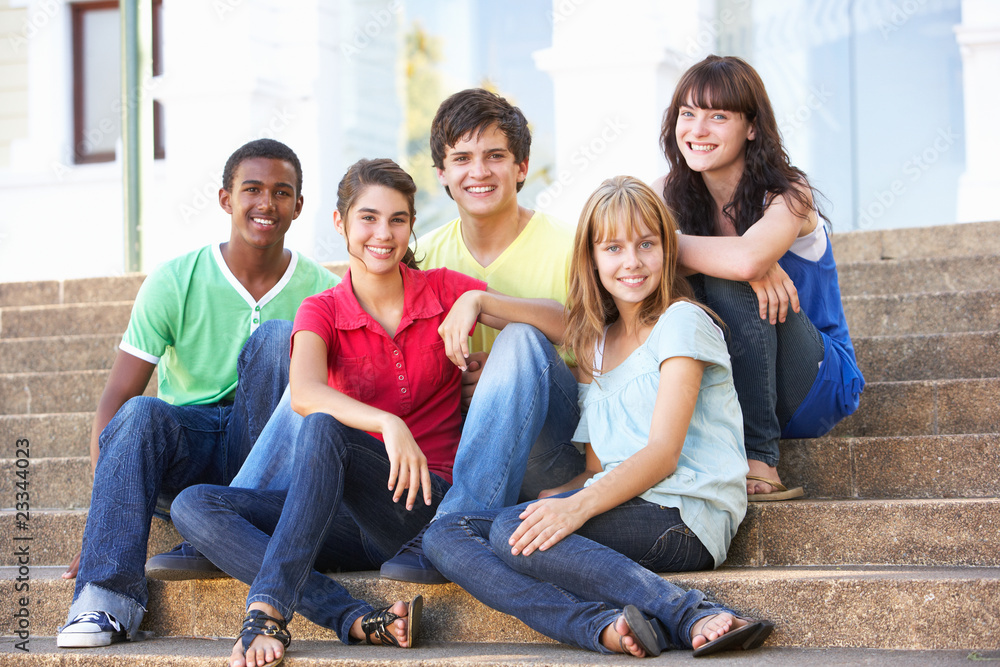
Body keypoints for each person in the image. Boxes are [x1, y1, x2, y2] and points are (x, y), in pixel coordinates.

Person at [169, 158, 572, 667]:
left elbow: (560, 324)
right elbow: (305, 391)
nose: (382, 234)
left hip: (424, 505)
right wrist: (387, 421)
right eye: (368, 218)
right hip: (341, 515)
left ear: (410, 227)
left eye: (397, 220)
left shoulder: (443, 289)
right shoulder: (322, 309)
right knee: (193, 506)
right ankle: (353, 617)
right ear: (340, 224)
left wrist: (477, 300)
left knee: (325, 429)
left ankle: (268, 612)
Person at [423, 176, 773, 658]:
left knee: (511, 531)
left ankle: (689, 610)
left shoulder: (682, 322)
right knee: (446, 533)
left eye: (647, 244)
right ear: (591, 258)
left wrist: (576, 506)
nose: (631, 262)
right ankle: (600, 624)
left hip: (684, 515)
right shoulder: (598, 345)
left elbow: (662, 455)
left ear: (667, 250)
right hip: (618, 504)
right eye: (613, 248)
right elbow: (593, 466)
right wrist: (477, 300)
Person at [56, 139, 339, 648]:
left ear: (298, 206)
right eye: (251, 189)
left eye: (282, 192)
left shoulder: (322, 289)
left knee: (279, 339)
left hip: (272, 459)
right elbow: (114, 400)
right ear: (226, 199)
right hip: (189, 448)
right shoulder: (175, 279)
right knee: (141, 411)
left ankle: (223, 527)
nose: (266, 204)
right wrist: (104, 521)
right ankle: (104, 600)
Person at [379, 87, 586, 584]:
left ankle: (454, 529)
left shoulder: (571, 246)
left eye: (495, 156)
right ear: (442, 175)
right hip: (457, 446)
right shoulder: (422, 257)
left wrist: (513, 374)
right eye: (462, 158)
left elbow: (612, 364)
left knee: (519, 341)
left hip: (552, 450)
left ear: (522, 167)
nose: (479, 171)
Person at [657, 55, 864, 500]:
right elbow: (616, 259)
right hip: (731, 378)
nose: (697, 129)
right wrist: (725, 257)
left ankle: (760, 459)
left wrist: (666, 247)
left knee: (737, 276)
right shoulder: (666, 194)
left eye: (718, 116)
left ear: (751, 127)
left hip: (815, 382)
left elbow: (747, 261)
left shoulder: (789, 193)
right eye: (687, 114)